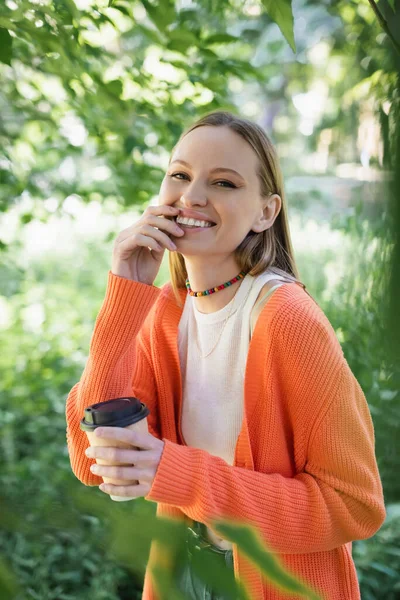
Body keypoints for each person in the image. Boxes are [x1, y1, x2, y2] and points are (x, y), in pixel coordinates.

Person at [65, 110, 386, 600]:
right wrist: (125, 294)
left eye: (224, 182)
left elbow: (353, 505)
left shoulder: (287, 320)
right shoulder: (168, 312)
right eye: (180, 174)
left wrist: (177, 473)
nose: (193, 195)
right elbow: (93, 460)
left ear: (266, 212)